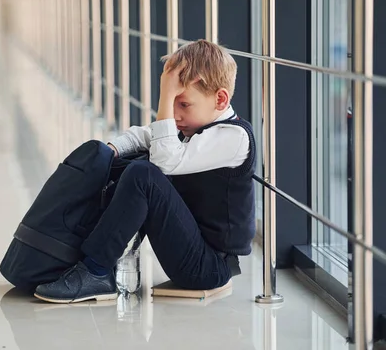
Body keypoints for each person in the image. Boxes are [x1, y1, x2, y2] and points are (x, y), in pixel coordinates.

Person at [34, 39, 256, 304]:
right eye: (172, 103)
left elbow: (164, 161)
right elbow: (146, 135)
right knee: (133, 162)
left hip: (208, 267)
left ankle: (96, 270)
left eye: (182, 104)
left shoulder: (234, 137)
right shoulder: (196, 124)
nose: (174, 115)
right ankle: (76, 256)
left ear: (220, 99)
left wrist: (165, 94)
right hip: (192, 248)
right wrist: (111, 150)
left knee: (143, 175)